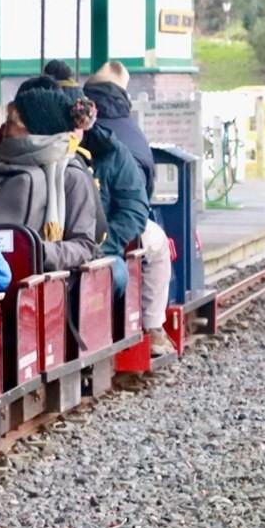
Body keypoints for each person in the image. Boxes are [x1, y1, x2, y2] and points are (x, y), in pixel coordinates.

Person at [83, 62, 175, 352]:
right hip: (113, 229)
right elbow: (141, 197)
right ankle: (153, 325)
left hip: (80, 230)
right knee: (158, 246)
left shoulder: (74, 116)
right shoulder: (130, 131)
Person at [0, 78, 101, 272]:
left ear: (35, 130)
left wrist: (36, 251)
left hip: (50, 282)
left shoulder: (71, 176)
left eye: (11, 123)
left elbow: (84, 246)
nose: (4, 130)